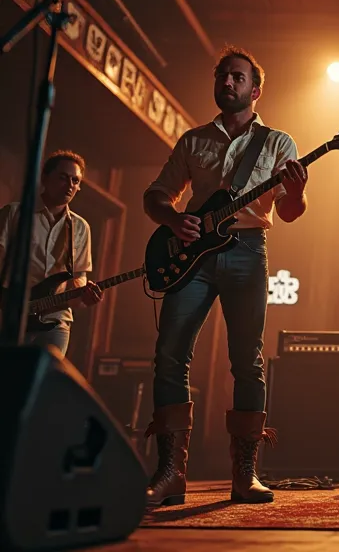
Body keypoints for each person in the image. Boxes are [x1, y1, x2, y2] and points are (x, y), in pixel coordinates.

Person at [141, 46, 309, 507]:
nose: (227, 82)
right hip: (191, 256)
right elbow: (156, 195)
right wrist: (173, 221)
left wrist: (296, 191)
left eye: (236, 77)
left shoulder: (278, 143)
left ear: (255, 90)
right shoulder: (194, 140)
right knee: (170, 354)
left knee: (247, 361)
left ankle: (245, 474)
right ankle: (172, 472)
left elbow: (290, 213)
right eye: (221, 75)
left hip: (248, 251)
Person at [0, 150, 103, 357]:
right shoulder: (14, 213)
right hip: (11, 314)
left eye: (75, 180)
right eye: (63, 178)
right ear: (45, 178)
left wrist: (84, 297)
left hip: (56, 319)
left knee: (44, 382)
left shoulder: (80, 227)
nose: (70, 185)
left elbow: (78, 276)